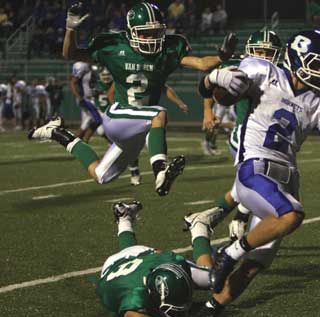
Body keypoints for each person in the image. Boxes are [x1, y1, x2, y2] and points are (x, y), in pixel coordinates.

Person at [191, 30, 320, 317]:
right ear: (298, 57)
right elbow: (222, 97)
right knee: (292, 215)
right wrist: (211, 80)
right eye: (318, 64)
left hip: (286, 178)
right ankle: (226, 254)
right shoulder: (262, 71)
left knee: (256, 263)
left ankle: (205, 315)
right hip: (254, 167)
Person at [28, 1, 237, 197]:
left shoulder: (168, 49)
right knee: (158, 113)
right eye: (145, 34)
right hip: (118, 116)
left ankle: (58, 133)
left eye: (156, 32)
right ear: (131, 33)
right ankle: (160, 171)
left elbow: (201, 63)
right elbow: (71, 53)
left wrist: (221, 57)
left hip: (137, 129)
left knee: (101, 175)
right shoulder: (114, 47)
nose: (152, 38)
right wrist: (71, 29)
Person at [92, 200, 216, 317]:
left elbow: (159, 253)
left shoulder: (172, 263)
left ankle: (198, 226)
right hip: (112, 267)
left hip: (146, 257)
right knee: (211, 278)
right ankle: (199, 227)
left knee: (214, 279)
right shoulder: (132, 295)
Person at [201, 29, 282, 242]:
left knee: (253, 184)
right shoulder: (244, 69)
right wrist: (208, 112)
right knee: (258, 181)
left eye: (268, 53)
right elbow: (212, 85)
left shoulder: (281, 74)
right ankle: (238, 218)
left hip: (270, 138)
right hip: (246, 134)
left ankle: (210, 219)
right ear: (250, 52)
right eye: (259, 52)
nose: (264, 57)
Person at [69, 61, 101, 142]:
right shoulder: (82, 66)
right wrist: (78, 96)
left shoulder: (92, 66)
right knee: (96, 120)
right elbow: (73, 82)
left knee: (87, 123)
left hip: (92, 98)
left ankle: (82, 142)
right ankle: (74, 143)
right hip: (85, 98)